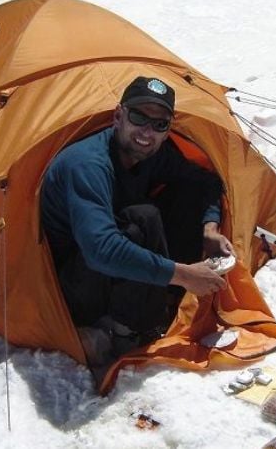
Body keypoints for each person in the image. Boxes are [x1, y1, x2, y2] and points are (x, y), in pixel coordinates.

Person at [40, 76, 233, 364]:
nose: (147, 131)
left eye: (159, 124)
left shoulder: (150, 153)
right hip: (70, 285)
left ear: (167, 131)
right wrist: (183, 274)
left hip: (111, 269)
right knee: (143, 218)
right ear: (118, 116)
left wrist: (210, 228)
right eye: (139, 117)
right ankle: (126, 331)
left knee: (185, 191)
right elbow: (100, 249)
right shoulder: (87, 164)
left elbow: (206, 182)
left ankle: (164, 298)